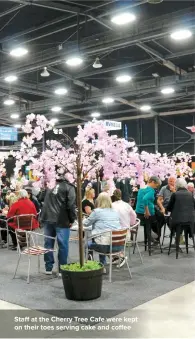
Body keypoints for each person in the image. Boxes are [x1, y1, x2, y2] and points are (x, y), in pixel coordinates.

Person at [41, 177, 76, 275]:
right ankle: (62, 268)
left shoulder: (50, 185)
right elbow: (71, 204)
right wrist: (72, 219)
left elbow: (41, 198)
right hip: (62, 220)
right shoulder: (69, 187)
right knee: (63, 245)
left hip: (48, 218)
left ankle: (48, 268)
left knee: (48, 244)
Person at [83, 192, 122, 274]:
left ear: (99, 201)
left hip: (104, 246)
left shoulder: (97, 212)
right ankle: (102, 265)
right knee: (102, 238)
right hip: (118, 246)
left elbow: (86, 223)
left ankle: (94, 265)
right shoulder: (115, 212)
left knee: (87, 244)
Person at [167, 178, 195, 255]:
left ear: (176, 185)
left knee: (169, 221)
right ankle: (183, 238)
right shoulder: (190, 194)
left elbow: (169, 208)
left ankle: (175, 238)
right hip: (190, 220)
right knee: (182, 223)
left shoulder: (175, 194)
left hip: (177, 221)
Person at [136, 176, 161, 255]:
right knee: (160, 220)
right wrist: (146, 211)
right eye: (156, 185)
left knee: (151, 224)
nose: (156, 187)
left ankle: (151, 236)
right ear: (153, 182)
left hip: (138, 213)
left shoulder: (141, 188)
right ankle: (154, 238)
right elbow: (145, 199)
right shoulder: (151, 190)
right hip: (147, 214)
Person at [112, 189, 137, 267]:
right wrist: (131, 224)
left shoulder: (111, 206)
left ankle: (120, 256)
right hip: (126, 233)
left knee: (103, 239)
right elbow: (134, 216)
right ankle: (117, 256)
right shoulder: (127, 205)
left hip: (115, 235)